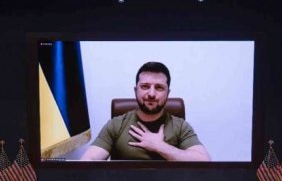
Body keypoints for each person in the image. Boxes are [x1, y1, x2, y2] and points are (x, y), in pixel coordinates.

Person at [80, 61, 210, 161]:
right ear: (135, 90)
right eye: (145, 86)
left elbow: (203, 161)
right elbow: (88, 161)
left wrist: (159, 146)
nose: (151, 94)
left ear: (168, 93)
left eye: (159, 87)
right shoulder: (116, 125)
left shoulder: (180, 126)